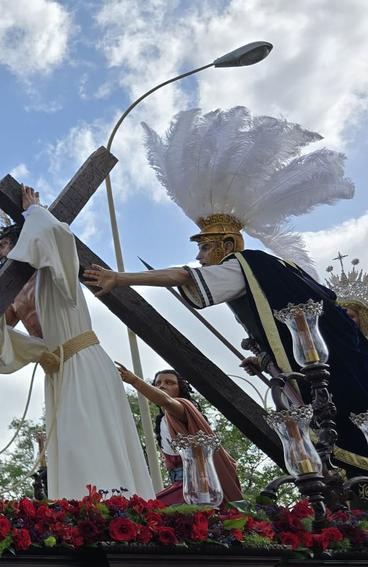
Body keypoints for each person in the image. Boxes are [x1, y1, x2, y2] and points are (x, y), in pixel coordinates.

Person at [83, 107, 368, 475]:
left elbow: (184, 277)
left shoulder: (245, 265)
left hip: (334, 380)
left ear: (228, 243)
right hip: (337, 369)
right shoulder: (271, 271)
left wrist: (120, 279)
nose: (200, 257)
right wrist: (265, 359)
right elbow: (289, 334)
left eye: (205, 247)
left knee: (339, 450)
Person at [0, 185, 155, 499]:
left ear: (23, 242)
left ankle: (116, 505)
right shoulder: (16, 294)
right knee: (68, 445)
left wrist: (34, 211)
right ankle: (78, 512)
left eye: (4, 245)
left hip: (83, 361)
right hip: (57, 372)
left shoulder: (56, 272)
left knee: (90, 436)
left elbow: (57, 236)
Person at [118, 365, 243, 504]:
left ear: (181, 388)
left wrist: (134, 380)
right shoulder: (163, 420)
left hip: (199, 488)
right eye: (158, 383)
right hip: (180, 486)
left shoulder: (182, 408)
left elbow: (166, 401)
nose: (162, 386)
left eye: (169, 382)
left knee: (148, 511)